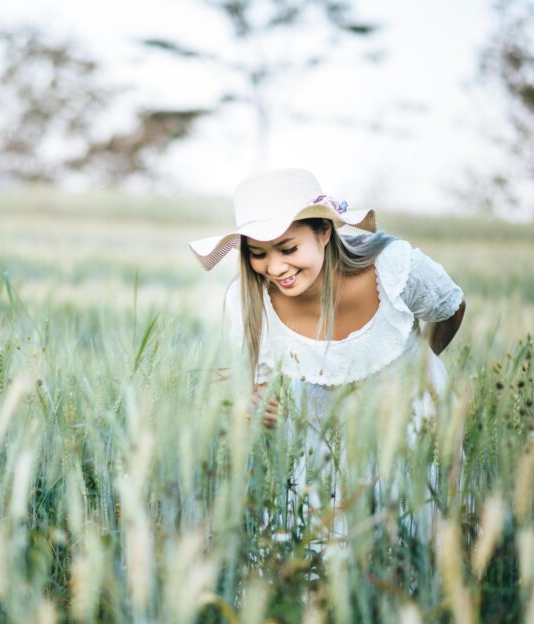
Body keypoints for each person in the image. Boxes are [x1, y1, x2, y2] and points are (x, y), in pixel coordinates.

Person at [189, 168, 466, 540]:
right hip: (322, 450)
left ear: (323, 231)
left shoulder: (393, 267)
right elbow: (258, 387)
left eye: (288, 249)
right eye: (258, 254)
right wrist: (256, 403)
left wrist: (409, 369)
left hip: (413, 431)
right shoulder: (249, 303)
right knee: (326, 561)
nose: (275, 267)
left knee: (416, 544)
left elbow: (449, 309)